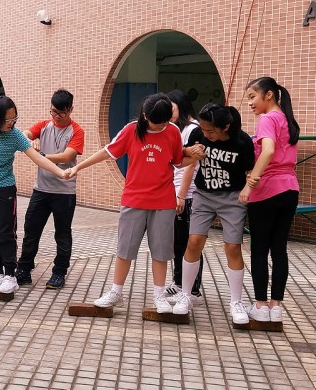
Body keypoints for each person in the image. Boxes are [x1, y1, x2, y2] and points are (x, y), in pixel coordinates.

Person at [65, 93, 203, 312]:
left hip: (163, 201)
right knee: (125, 249)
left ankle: (159, 296)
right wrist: (78, 167)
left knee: (161, 252)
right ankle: (116, 292)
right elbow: (108, 152)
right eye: (157, 123)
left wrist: (195, 155)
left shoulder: (173, 131)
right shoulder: (131, 130)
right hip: (134, 200)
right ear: (145, 115)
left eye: (165, 122)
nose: (162, 126)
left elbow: (177, 161)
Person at [0, 96, 66, 295]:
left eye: (14, 118)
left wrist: (60, 172)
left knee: (6, 232)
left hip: (4, 190)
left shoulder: (15, 135)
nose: (12, 123)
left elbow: (37, 158)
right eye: (8, 120)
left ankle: (10, 274)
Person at [171, 104, 255, 323]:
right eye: (203, 129)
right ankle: (186, 295)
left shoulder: (242, 141)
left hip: (232, 198)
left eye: (210, 131)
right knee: (193, 241)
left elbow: (250, 170)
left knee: (232, 247)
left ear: (225, 127)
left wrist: (248, 189)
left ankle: (236, 302)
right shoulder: (198, 134)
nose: (205, 134)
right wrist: (190, 152)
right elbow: (182, 159)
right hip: (203, 195)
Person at [241, 77, 300, 323]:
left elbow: (268, 151)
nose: (250, 103)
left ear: (269, 95)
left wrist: (249, 184)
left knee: (259, 250)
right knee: (279, 249)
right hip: (290, 189)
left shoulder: (267, 119)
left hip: (267, 190)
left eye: (252, 97)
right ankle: (276, 307)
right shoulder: (287, 119)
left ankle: (261, 306)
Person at [16, 88, 85, 289]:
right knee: (31, 230)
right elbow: (23, 135)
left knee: (62, 234)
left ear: (70, 110)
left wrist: (41, 156)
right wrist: (30, 141)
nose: (56, 116)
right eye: (53, 111)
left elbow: (66, 156)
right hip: (41, 190)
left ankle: (59, 272)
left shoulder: (76, 131)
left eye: (60, 113)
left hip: (64, 192)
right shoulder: (44, 125)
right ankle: (24, 268)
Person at [166, 89, 203, 300]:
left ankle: (193, 289)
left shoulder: (193, 129)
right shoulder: (177, 130)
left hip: (189, 195)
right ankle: (179, 282)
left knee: (191, 242)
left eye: (171, 108)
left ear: (181, 106)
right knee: (178, 242)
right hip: (177, 192)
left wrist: (181, 195)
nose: (168, 112)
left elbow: (191, 165)